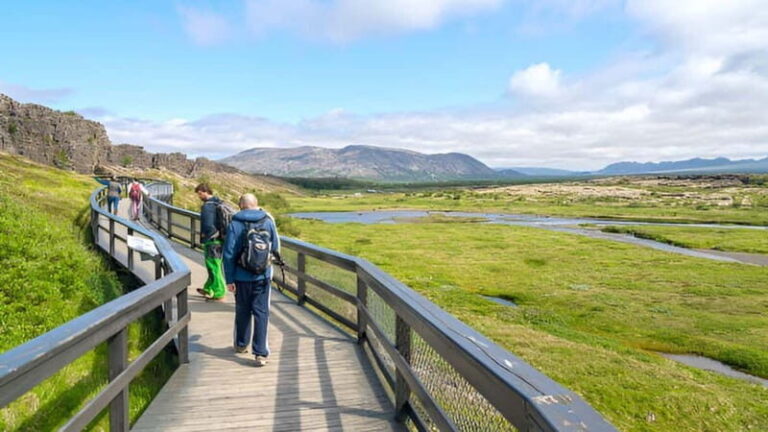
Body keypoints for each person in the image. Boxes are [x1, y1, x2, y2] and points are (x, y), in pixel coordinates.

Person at [222, 193, 280, 367]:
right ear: (257, 204)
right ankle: (261, 353)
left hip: (241, 277)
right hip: (262, 276)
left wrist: (229, 279)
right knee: (261, 312)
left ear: (241, 206)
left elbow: (229, 253)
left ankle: (241, 344)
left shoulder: (235, 223)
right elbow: (275, 248)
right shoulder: (268, 222)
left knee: (243, 310)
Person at [195, 183, 227, 301]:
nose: (199, 196)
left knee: (213, 266)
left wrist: (205, 236)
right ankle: (209, 288)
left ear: (204, 192)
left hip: (212, 240)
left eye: (199, 193)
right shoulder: (218, 202)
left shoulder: (208, 206)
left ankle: (219, 292)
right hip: (220, 239)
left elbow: (208, 224)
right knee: (213, 265)